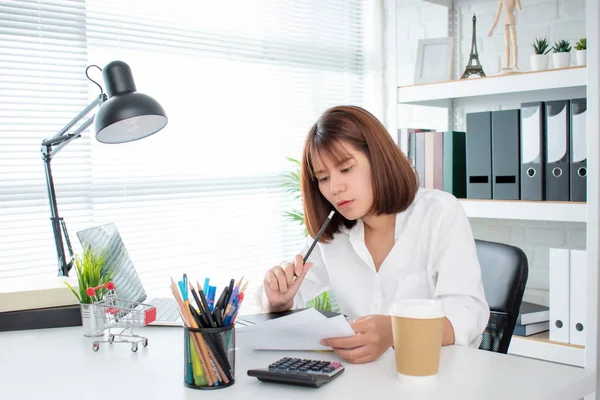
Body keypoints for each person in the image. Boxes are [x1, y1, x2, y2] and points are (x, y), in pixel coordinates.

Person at [262, 105, 490, 364]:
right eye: (323, 178)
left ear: (378, 158)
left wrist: (396, 330)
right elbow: (290, 296)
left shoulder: (438, 212)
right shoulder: (333, 233)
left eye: (346, 169)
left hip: (436, 377)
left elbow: (468, 314)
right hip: (365, 380)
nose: (335, 187)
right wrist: (278, 299)